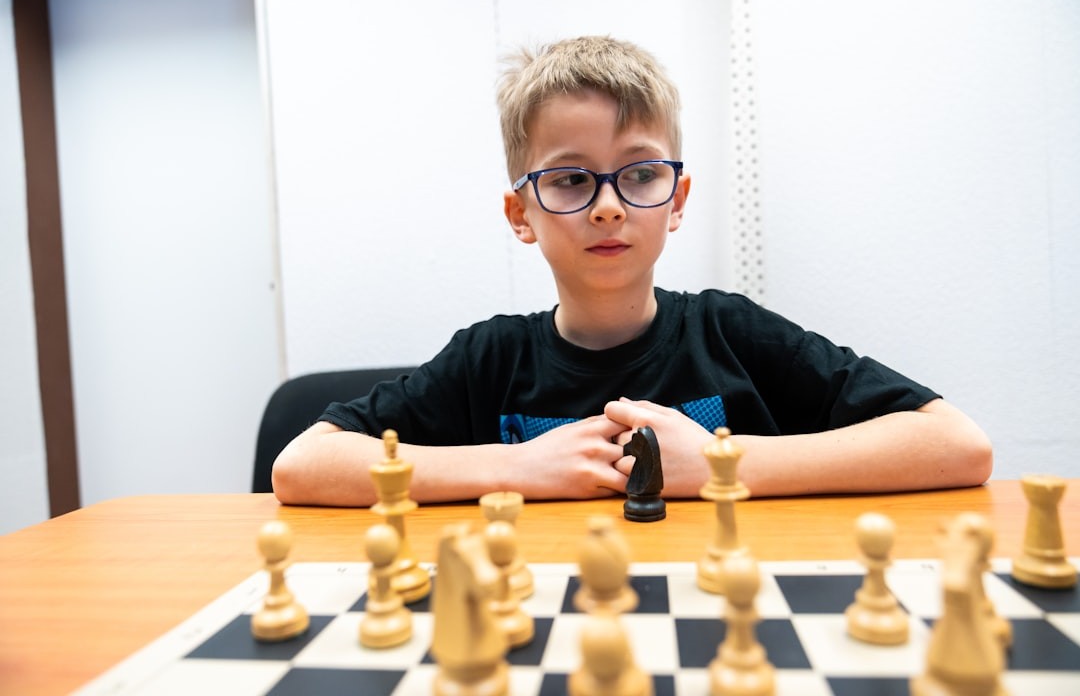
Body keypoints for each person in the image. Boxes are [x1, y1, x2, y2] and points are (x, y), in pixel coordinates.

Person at [271, 35, 992, 507]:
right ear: (521, 213)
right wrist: (515, 467)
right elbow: (301, 466)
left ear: (675, 200)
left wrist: (725, 462)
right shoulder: (489, 357)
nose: (610, 208)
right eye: (570, 180)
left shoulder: (731, 331)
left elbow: (957, 443)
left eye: (640, 174)